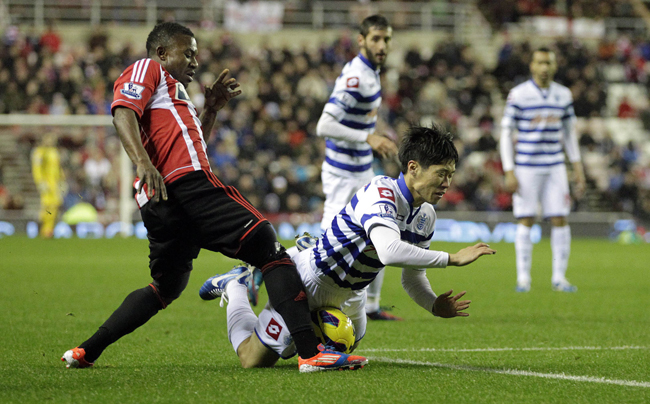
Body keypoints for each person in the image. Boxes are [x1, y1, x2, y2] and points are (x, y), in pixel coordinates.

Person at [61, 22, 366, 373]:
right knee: (270, 249)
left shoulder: (177, 96)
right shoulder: (149, 69)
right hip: (184, 185)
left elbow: (194, 146)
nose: (194, 61)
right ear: (162, 53)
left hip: (160, 203)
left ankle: (86, 351)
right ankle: (311, 354)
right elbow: (122, 112)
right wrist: (143, 163)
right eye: (187, 53)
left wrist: (212, 109)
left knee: (165, 288)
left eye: (196, 54)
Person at [199, 125, 496, 369]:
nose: (447, 183)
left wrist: (433, 304)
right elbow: (389, 251)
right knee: (253, 360)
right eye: (441, 173)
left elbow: (412, 277)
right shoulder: (381, 193)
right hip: (312, 280)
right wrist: (452, 258)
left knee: (339, 342)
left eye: (451, 175)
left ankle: (294, 327)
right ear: (413, 168)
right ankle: (236, 287)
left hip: (352, 295)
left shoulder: (426, 216)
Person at [316, 14, 399, 321]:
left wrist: (374, 137)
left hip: (362, 170)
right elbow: (324, 125)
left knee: (381, 231)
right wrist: (369, 138)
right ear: (362, 40)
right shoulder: (357, 77)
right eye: (376, 39)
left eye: (386, 39)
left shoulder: (372, 72)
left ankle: (372, 306)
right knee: (328, 244)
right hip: (341, 173)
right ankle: (271, 272)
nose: (382, 45)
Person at [499, 47, 586, 293]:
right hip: (526, 166)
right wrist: (509, 169)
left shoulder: (564, 95)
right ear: (532, 66)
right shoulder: (518, 95)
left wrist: (577, 166)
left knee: (560, 218)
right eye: (540, 62)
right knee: (526, 219)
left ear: (555, 66)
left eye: (548, 62)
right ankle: (523, 278)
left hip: (555, 166)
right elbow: (506, 133)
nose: (544, 67)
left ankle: (559, 278)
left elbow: (569, 134)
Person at [31, 132, 64, 238]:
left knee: (54, 205)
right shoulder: (39, 152)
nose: (50, 141)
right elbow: (36, 169)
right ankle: (42, 227)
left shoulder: (54, 152)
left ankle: (48, 230)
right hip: (46, 183)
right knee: (46, 206)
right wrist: (40, 182)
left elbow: (58, 168)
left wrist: (62, 180)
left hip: (54, 183)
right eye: (48, 139)